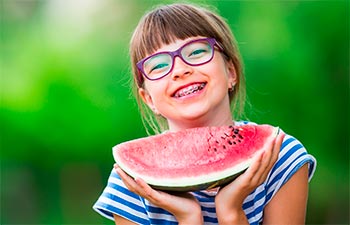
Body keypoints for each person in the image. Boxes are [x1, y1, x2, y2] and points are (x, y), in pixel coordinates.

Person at [93, 3, 316, 225]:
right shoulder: (131, 184)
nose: (181, 70)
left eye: (197, 51)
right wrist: (189, 219)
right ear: (149, 99)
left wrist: (230, 211)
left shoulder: (280, 158)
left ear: (231, 72)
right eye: (159, 65)